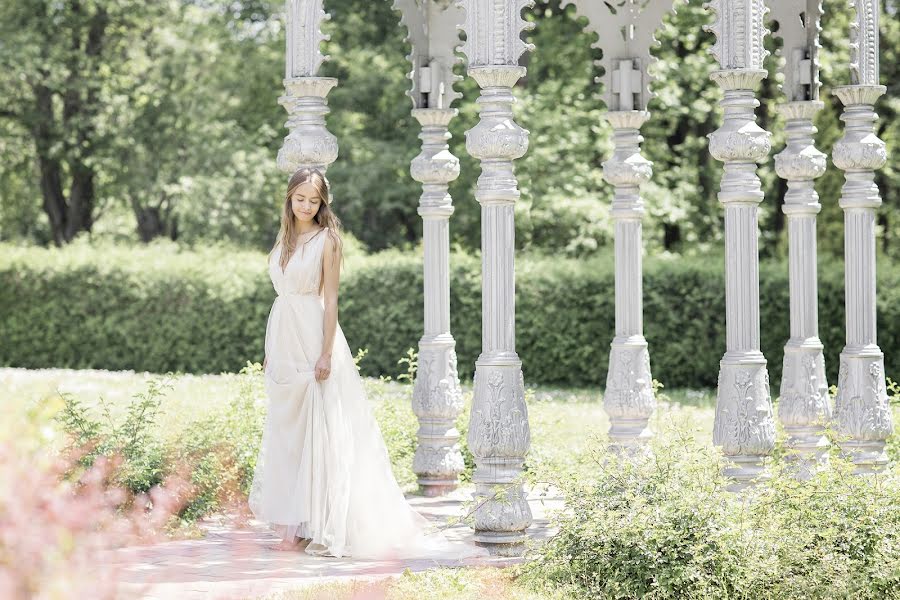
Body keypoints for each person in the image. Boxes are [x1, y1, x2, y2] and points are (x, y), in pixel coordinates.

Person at [249, 168, 485, 560]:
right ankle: (298, 521)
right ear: (289, 198)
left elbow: (330, 300)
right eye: (300, 198)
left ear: (323, 203)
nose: (306, 205)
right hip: (284, 339)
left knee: (322, 429)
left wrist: (325, 353)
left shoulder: (328, 240)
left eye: (314, 200)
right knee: (290, 432)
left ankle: (324, 524)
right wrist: (271, 349)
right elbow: (282, 298)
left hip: (312, 337)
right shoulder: (284, 238)